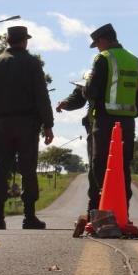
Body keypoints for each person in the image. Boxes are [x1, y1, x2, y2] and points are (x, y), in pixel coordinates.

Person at [0, 26, 54, 230]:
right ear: (25, 41)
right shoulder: (32, 63)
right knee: (28, 170)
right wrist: (48, 125)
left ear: (8, 41)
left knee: (0, 168)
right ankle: (29, 217)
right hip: (26, 125)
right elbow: (42, 96)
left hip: (1, 125)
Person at [83, 23, 138, 216]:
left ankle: (99, 210)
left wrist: (85, 86)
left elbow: (91, 91)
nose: (98, 48)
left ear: (103, 40)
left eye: (98, 44)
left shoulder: (103, 59)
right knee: (122, 167)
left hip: (105, 122)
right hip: (127, 123)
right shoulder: (136, 62)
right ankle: (122, 211)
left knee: (100, 165)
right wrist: (128, 115)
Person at [55, 71, 96, 219]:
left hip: (114, 127)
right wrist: (66, 103)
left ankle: (118, 210)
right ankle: (95, 210)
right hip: (96, 127)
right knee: (95, 168)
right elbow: (78, 96)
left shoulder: (125, 68)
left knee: (114, 168)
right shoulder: (92, 72)